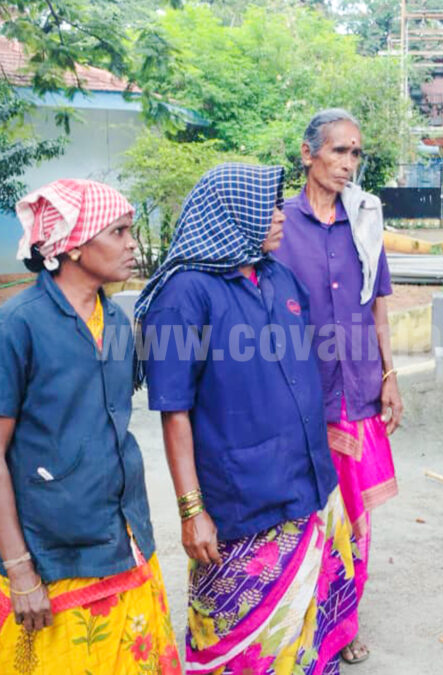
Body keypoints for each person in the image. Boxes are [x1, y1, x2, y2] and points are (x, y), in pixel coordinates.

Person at [135, 163, 360, 675]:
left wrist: (325, 438)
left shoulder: (278, 276)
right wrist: (192, 510)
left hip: (306, 488)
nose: (281, 217)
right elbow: (175, 412)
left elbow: (301, 369)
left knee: (304, 639)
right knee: (241, 651)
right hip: (241, 503)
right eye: (269, 207)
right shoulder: (184, 295)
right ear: (232, 214)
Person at [0, 179, 180, 674]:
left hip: (125, 540)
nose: (133, 244)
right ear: (74, 244)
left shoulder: (115, 320)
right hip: (54, 557)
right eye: (119, 232)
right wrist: (20, 570)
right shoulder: (13, 327)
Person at [270, 109, 400, 665]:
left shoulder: (364, 222)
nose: (349, 163)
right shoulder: (276, 226)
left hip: (359, 395)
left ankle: (344, 625)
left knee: (356, 520)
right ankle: (303, 623)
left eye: (355, 154)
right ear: (308, 154)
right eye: (339, 151)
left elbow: (378, 307)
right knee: (305, 521)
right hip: (299, 400)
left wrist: (390, 376)